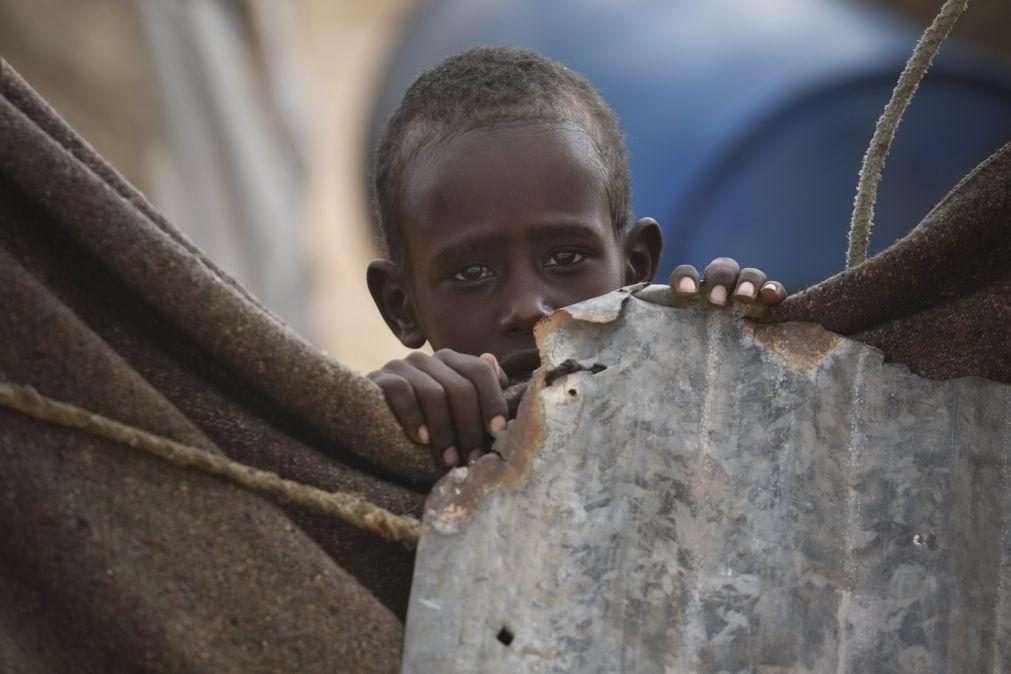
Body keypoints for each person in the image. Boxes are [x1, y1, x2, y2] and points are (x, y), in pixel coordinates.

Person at [365, 47, 786, 469]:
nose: (530, 307)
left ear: (635, 266)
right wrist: (371, 424)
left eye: (565, 257)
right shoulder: (391, 456)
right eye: (472, 272)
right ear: (401, 305)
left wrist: (742, 353)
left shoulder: (701, 407)